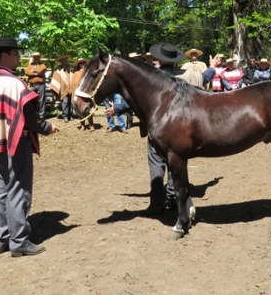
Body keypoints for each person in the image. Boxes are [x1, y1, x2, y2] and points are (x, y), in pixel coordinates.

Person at [0, 38, 60, 257]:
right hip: (15, 142)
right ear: (5, 56)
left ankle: (1, 239)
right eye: (16, 54)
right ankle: (19, 241)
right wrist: (47, 127)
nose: (20, 58)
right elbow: (28, 117)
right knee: (18, 188)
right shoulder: (13, 83)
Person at [105, 43, 222, 214]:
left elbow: (139, 98)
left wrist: (118, 108)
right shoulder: (188, 74)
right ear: (177, 60)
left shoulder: (152, 77)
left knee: (155, 163)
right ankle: (171, 196)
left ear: (160, 59)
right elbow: (203, 78)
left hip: (156, 129)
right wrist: (212, 67)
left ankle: (157, 200)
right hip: (180, 128)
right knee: (175, 159)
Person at [70, 58, 95, 130]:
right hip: (77, 93)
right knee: (78, 109)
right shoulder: (76, 73)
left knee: (87, 109)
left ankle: (91, 125)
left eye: (83, 63)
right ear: (78, 65)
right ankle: (82, 125)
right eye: (80, 63)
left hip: (85, 93)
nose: (82, 65)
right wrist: (73, 95)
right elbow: (73, 84)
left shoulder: (88, 72)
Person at [24, 52, 47, 120]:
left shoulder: (42, 65)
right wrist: (36, 73)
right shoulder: (30, 65)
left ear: (39, 57)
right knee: (29, 98)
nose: (36, 58)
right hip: (32, 85)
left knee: (41, 100)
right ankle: (31, 114)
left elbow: (42, 71)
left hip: (41, 84)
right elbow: (26, 72)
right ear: (33, 58)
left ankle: (41, 116)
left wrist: (32, 72)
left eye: (37, 57)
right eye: (35, 57)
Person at [51, 55, 73, 123]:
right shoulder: (58, 69)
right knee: (65, 102)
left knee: (71, 102)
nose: (64, 61)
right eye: (63, 60)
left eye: (65, 60)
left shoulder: (70, 68)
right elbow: (55, 79)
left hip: (71, 87)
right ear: (60, 61)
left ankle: (70, 115)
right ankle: (65, 116)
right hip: (63, 88)